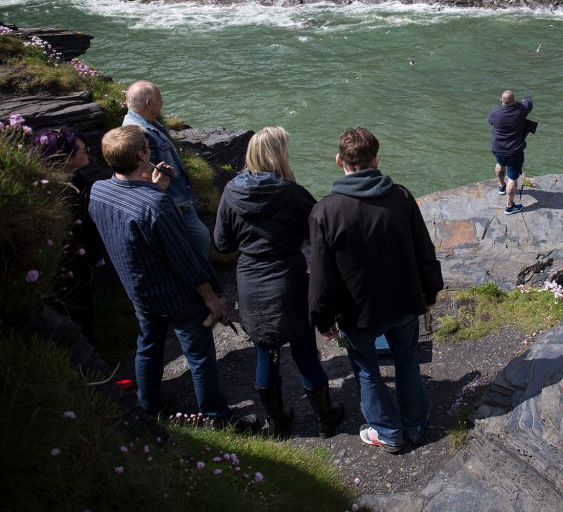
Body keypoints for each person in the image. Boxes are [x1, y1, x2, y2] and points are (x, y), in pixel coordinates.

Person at [88, 125, 253, 429]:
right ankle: (217, 416)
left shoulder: (99, 190)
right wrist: (212, 298)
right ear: (142, 154)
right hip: (176, 295)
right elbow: (185, 260)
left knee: (148, 344)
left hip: (139, 290)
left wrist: (154, 189)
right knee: (200, 355)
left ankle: (148, 402)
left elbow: (133, 229)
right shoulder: (155, 205)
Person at [308, 127, 444, 453]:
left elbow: (322, 276)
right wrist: (429, 293)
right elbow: (424, 251)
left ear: (339, 160)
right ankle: (415, 426)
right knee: (408, 362)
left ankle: (387, 431)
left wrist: (322, 317)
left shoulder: (325, 211)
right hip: (405, 301)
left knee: (367, 369)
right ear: (376, 160)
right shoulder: (401, 197)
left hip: (358, 313)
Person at [214, 127, 344, 438]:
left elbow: (222, 243)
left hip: (250, 282)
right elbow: (316, 234)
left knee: (265, 351)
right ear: (279, 154)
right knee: (304, 350)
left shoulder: (232, 191)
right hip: (288, 279)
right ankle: (325, 418)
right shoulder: (292, 193)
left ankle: (278, 421)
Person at [33, 126, 108, 342]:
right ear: (64, 156)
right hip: (71, 267)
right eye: (82, 149)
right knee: (77, 314)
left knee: (85, 309)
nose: (87, 152)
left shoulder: (74, 178)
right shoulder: (57, 192)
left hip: (84, 260)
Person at [124, 80, 210, 255]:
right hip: (173, 203)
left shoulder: (144, 123)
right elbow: (146, 174)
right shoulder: (141, 133)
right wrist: (169, 203)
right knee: (199, 238)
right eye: (160, 99)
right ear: (149, 103)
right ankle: (195, 278)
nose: (162, 103)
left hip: (176, 199)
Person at [488, 89, 533, 214]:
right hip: (514, 152)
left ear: (500, 101)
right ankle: (509, 206)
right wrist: (521, 100)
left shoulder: (494, 113)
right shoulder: (520, 110)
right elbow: (529, 101)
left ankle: (501, 186)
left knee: (500, 164)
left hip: (497, 149)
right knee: (512, 178)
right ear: (514, 101)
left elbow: (490, 122)